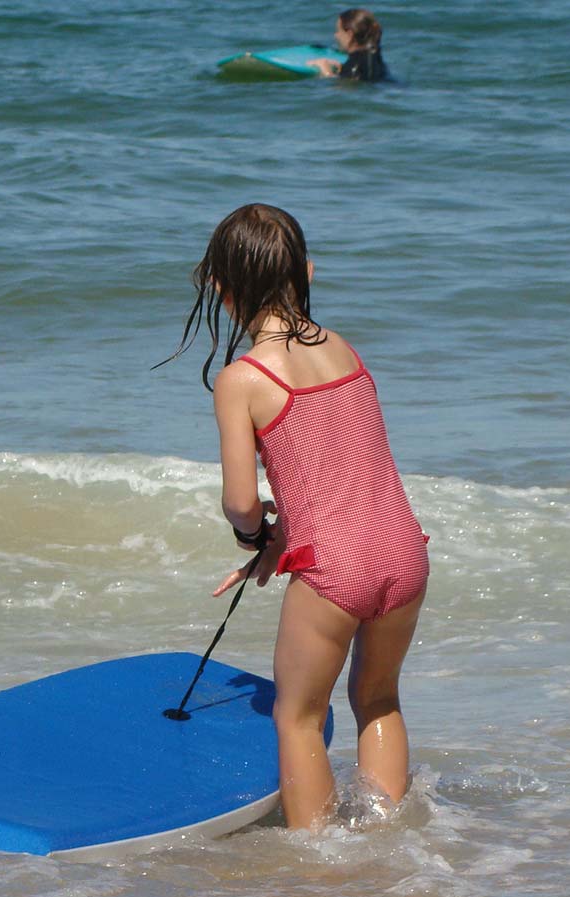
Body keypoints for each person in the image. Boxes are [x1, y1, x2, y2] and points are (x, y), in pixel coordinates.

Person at [165, 204, 428, 830]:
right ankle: (390, 838)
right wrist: (287, 533)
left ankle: (318, 868)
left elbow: (239, 499)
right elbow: (343, 467)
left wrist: (256, 535)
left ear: (223, 291)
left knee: (297, 717)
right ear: (305, 272)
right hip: (405, 549)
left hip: (334, 569)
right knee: (377, 698)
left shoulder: (243, 378)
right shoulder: (343, 348)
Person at [313, 8, 390, 83]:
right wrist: (343, 67)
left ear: (349, 34)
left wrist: (326, 72)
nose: (335, 35)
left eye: (338, 31)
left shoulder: (354, 64)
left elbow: (349, 86)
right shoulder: (375, 55)